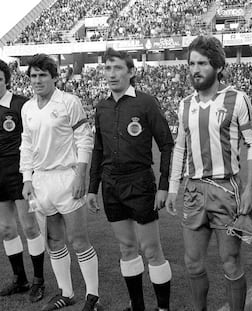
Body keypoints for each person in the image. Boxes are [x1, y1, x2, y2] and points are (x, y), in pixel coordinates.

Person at [165, 35, 252, 311]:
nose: (195, 69)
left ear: (218, 66)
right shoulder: (184, 104)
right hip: (193, 192)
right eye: (192, 63)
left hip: (226, 191)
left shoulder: (236, 99)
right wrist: (173, 188)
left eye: (203, 63)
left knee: (230, 260)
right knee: (192, 262)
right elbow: (180, 149)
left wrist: (250, 189)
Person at [87, 48, 174, 311]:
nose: (111, 74)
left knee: (151, 250)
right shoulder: (101, 107)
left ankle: (163, 308)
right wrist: (93, 188)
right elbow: (98, 149)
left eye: (118, 69)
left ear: (131, 72)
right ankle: (137, 306)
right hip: (111, 185)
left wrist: (163, 185)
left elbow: (167, 144)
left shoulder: (145, 103)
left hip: (140, 183)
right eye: (108, 69)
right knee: (126, 248)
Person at [19, 54, 100, 311]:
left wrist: (80, 174)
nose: (37, 80)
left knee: (78, 239)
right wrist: (27, 179)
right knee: (54, 241)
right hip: (41, 182)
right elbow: (27, 146)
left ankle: (92, 296)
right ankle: (67, 293)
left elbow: (84, 139)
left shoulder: (69, 102)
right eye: (33, 75)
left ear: (55, 77)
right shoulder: (27, 108)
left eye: (43, 75)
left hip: (67, 177)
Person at [0, 58, 46, 302]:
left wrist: (31, 175)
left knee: (29, 227)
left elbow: (33, 142)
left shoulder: (21, 105)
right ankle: (20, 279)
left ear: (7, 80)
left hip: (20, 174)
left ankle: (39, 280)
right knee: (6, 229)